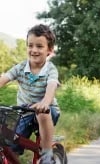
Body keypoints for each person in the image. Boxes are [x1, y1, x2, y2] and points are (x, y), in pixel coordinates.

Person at [0, 24, 60, 164]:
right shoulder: (21, 67)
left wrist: (45, 102)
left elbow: (51, 86)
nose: (34, 50)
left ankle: (47, 155)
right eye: (30, 45)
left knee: (42, 114)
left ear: (49, 50)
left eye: (39, 46)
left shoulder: (50, 69)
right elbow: (4, 79)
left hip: (47, 109)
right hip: (24, 112)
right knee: (11, 143)